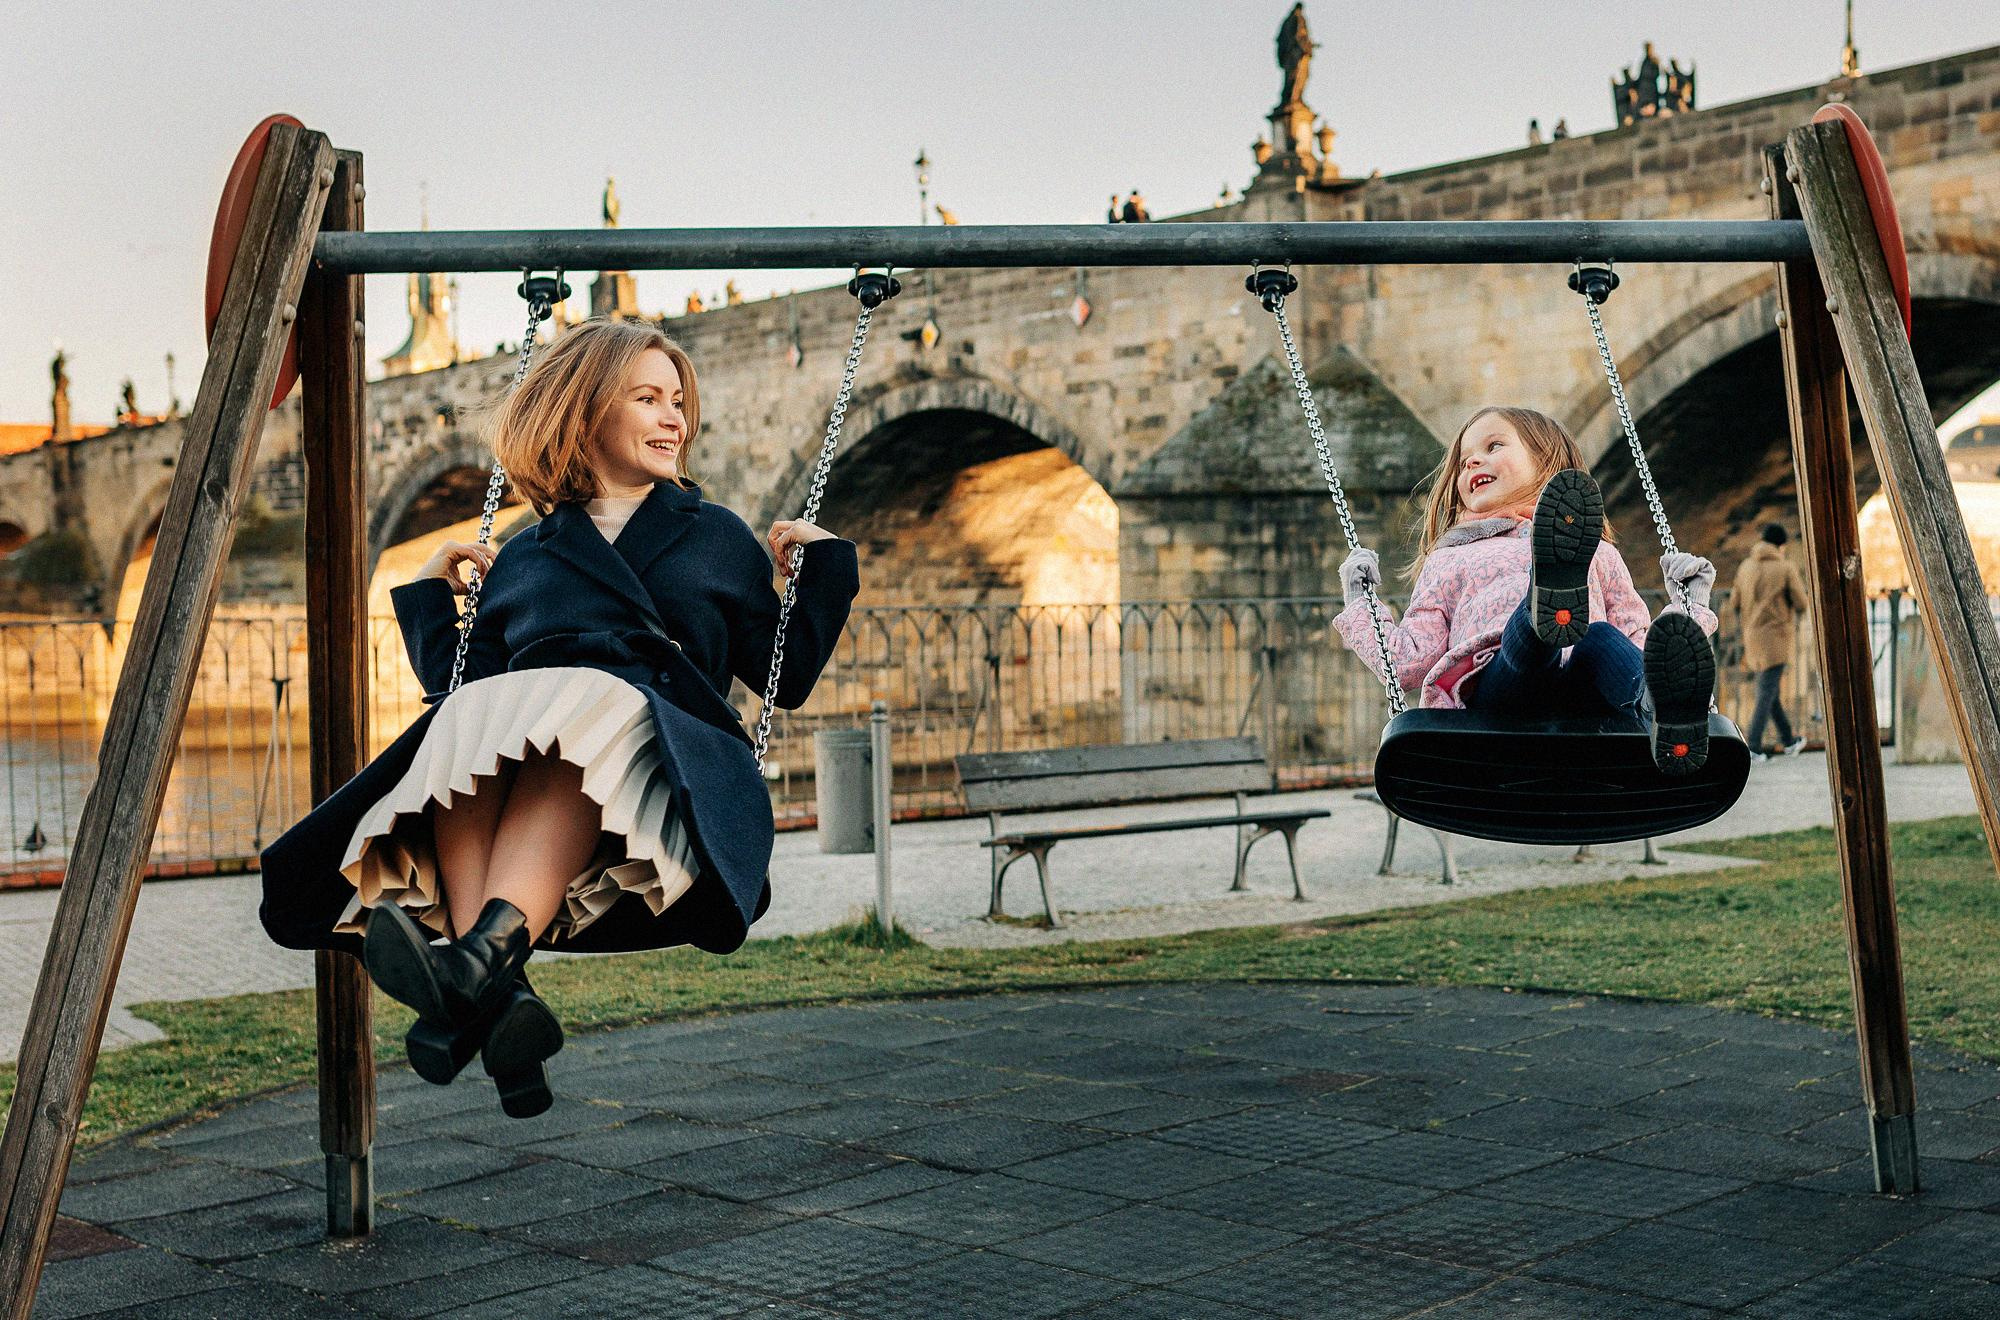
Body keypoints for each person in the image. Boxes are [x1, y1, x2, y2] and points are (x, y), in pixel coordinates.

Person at [259, 318, 858, 1117]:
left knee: (586, 705)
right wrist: (434, 600)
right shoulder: (527, 552)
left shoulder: (713, 537)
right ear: (582, 415)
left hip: (662, 780)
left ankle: (474, 974)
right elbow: (459, 694)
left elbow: (787, 677)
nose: (674, 416)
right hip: (535, 765)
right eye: (647, 398)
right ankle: (495, 995)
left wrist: (821, 572)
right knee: (477, 719)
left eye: (678, 400)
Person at [1335, 406, 1718, 774]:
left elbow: (1638, 646)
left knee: (1602, 638)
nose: (1471, 462)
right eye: (1464, 459)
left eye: (1493, 446)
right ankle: (1545, 603)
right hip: (1500, 695)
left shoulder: (1597, 552)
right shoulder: (1450, 558)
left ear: (1547, 462)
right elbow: (1406, 663)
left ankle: (1660, 710)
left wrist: (1690, 605)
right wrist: (1359, 601)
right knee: (1530, 640)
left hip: (1589, 705)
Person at [1729, 522, 1809, 759]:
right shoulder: (1785, 568)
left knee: (1769, 690)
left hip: (1752, 636)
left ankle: (1788, 740)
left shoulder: (1746, 566)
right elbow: (1802, 603)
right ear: (1781, 545)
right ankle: (1752, 746)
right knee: (1766, 692)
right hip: (1776, 637)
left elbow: (1734, 602)